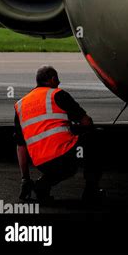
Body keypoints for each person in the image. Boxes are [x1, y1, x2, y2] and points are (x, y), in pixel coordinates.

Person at [14, 65, 104, 205]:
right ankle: (91, 191)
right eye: (57, 80)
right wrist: (74, 129)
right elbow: (86, 122)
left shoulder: (20, 105)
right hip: (64, 155)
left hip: (41, 163)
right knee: (96, 137)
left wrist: (25, 179)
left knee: (64, 166)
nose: (59, 83)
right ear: (52, 79)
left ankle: (42, 185)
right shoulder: (58, 94)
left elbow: (21, 146)